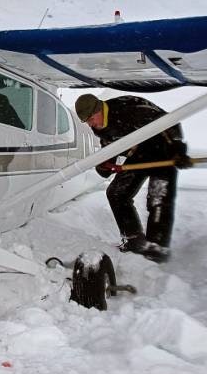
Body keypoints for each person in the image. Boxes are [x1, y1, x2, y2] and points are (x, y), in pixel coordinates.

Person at [74, 93, 189, 263]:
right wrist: (106, 163)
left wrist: (177, 148)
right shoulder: (98, 124)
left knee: (158, 198)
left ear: (99, 109)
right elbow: (112, 143)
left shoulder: (130, 110)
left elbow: (170, 121)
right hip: (141, 152)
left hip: (164, 150)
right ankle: (134, 239)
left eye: (91, 118)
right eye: (87, 121)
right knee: (116, 193)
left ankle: (156, 248)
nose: (91, 124)